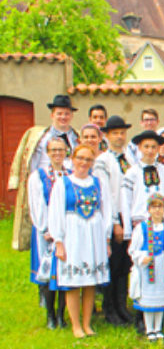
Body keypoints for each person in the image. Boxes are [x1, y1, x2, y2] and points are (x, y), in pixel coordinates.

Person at [48, 144, 111, 338]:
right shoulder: (63, 183)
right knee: (74, 283)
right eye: (80, 158)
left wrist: (106, 239)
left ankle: (87, 323)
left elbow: (106, 210)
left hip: (94, 235)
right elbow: (55, 212)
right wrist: (59, 241)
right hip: (73, 235)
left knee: (90, 282)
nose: (84, 163)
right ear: (73, 159)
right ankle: (76, 325)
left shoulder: (99, 183)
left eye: (88, 159)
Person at [9, 94, 78, 251]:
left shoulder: (76, 137)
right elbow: (25, 158)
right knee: (44, 233)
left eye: (67, 113)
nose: (63, 117)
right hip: (45, 187)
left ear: (71, 116)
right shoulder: (39, 136)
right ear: (52, 114)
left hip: (68, 187)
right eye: (59, 113)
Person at [93, 115, 136, 325]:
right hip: (115, 216)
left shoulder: (129, 158)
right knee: (113, 264)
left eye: (122, 133)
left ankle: (122, 306)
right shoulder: (103, 161)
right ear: (107, 136)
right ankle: (110, 309)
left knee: (125, 265)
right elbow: (106, 194)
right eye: (115, 133)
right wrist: (115, 223)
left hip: (129, 215)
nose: (119, 137)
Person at [129, 193, 164, 343]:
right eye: (154, 207)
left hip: (163, 268)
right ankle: (149, 329)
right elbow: (133, 249)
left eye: (160, 207)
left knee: (160, 300)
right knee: (149, 300)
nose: (157, 210)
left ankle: (158, 328)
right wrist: (142, 257)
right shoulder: (142, 228)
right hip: (147, 269)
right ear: (149, 209)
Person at [28, 137, 71, 329]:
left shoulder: (69, 175)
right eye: (53, 150)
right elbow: (37, 205)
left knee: (63, 274)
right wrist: (46, 228)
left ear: (66, 151)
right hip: (47, 233)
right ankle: (50, 316)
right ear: (47, 152)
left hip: (67, 231)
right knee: (47, 273)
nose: (57, 153)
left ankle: (62, 315)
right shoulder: (39, 176)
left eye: (61, 149)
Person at [123, 131, 164, 237]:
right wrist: (128, 231)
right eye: (146, 147)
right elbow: (126, 201)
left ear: (158, 148)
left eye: (153, 147)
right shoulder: (132, 173)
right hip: (140, 223)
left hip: (162, 223)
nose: (150, 150)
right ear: (139, 148)